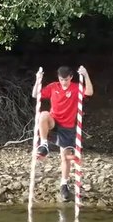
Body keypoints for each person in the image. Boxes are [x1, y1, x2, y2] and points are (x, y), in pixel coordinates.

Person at [32, 65, 93, 202]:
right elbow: (36, 95)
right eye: (61, 79)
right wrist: (38, 79)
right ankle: (44, 145)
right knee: (43, 115)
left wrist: (86, 74)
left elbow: (89, 92)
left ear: (71, 77)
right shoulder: (54, 86)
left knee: (65, 158)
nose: (63, 82)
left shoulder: (76, 87)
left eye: (65, 79)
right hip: (54, 122)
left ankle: (64, 184)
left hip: (68, 127)